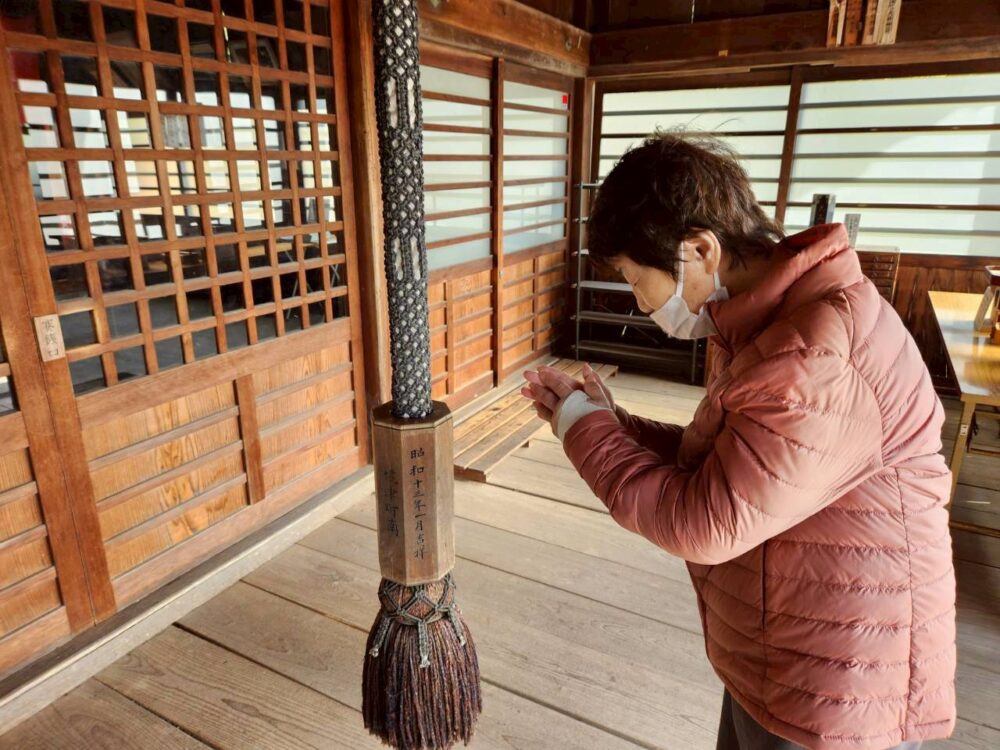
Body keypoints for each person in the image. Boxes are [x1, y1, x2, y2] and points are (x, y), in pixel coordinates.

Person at [521, 132, 956, 750]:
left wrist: (583, 430)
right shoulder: (770, 322)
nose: (640, 302)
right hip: (796, 638)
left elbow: (704, 522)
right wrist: (611, 422)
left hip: (841, 678)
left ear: (698, 249)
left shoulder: (809, 355)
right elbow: (735, 467)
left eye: (633, 277)